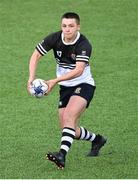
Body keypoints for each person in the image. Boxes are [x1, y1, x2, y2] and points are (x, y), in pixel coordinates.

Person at [27, 12, 107, 169]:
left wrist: (54, 81)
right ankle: (97, 140)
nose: (67, 29)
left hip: (84, 85)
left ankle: (61, 155)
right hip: (65, 87)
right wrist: (31, 77)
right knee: (68, 127)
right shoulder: (55, 38)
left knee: (70, 116)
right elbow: (35, 55)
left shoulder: (84, 44)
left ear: (78, 27)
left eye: (71, 26)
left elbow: (78, 70)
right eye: (64, 26)